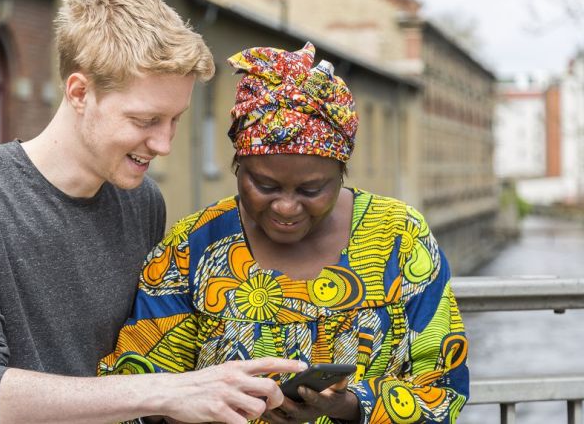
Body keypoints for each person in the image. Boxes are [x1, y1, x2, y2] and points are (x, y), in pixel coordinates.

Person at [0, 0, 307, 423]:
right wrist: (168, 392)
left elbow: (145, 354)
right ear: (80, 92)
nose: (164, 144)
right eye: (145, 120)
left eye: (175, 119)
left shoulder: (141, 200)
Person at [99, 42, 470, 423]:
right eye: (264, 185)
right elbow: (138, 391)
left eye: (312, 190)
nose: (286, 207)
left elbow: (443, 385)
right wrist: (208, 400)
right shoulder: (194, 246)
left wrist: (351, 406)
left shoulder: (398, 238)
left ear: (341, 172)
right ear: (237, 167)